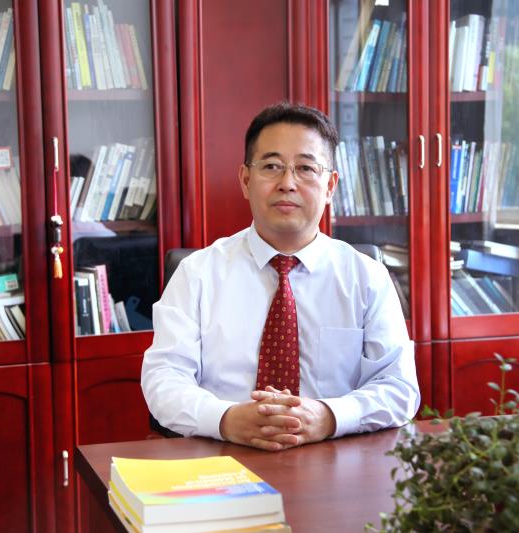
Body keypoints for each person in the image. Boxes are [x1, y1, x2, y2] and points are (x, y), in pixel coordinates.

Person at [141, 102, 419, 451]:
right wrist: (226, 419)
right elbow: (164, 379)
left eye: (306, 168)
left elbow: (399, 387)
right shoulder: (197, 273)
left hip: (333, 456)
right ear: (246, 180)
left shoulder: (367, 277)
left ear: (330, 186)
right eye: (271, 166)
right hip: (221, 455)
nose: (287, 183)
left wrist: (329, 416)